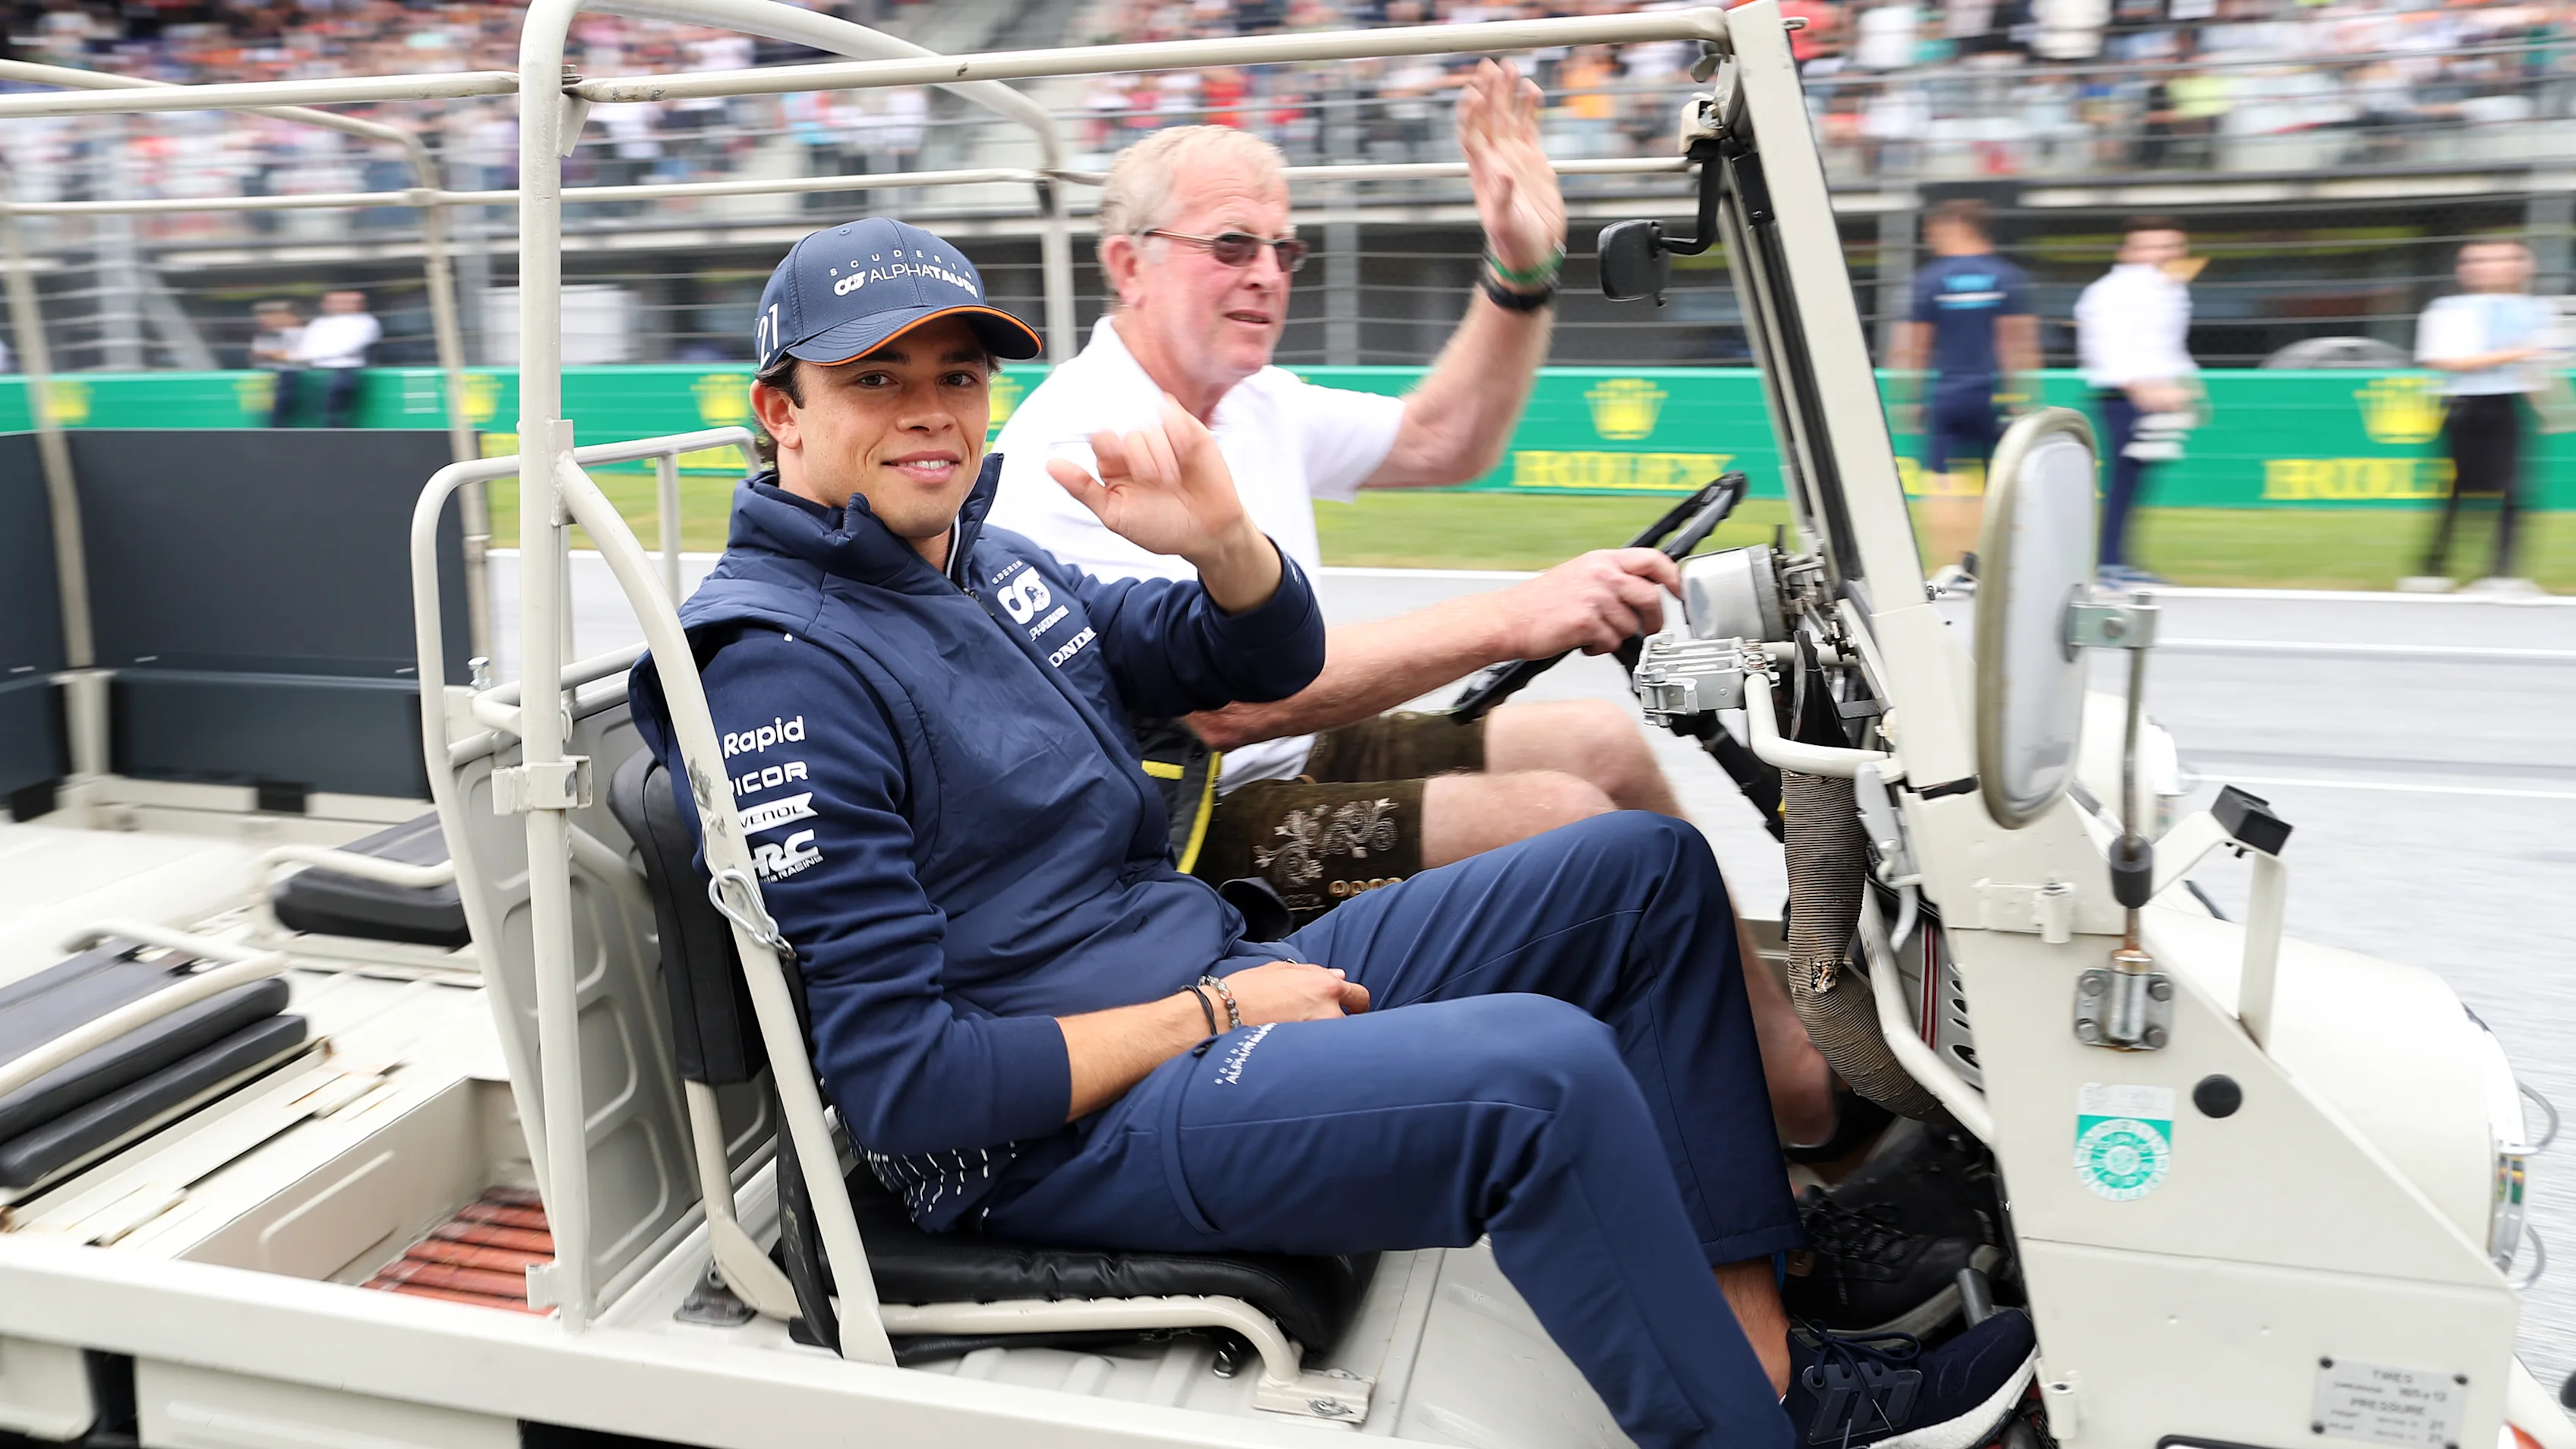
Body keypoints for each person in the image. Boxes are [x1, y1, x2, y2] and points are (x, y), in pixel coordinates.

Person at [628, 215, 2040, 1449]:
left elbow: (1247, 655)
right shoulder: (778, 666)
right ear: (781, 409)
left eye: (956, 374)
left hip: (1178, 982)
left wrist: (1224, 542)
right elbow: (905, 1089)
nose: (929, 411)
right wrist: (1213, 1006)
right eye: (876, 378)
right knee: (1536, 1076)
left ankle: (1762, 1357)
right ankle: (1761, 1436)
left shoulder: (976, 556)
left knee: (1639, 874)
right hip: (1048, 1133)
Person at [982, 68, 1838, 1146]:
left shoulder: (1250, 401)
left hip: (1279, 757)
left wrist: (1522, 271)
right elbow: (1221, 711)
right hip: (1175, 834)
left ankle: (1790, 1085)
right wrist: (1517, 614)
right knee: (1573, 829)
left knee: (1596, 742)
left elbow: (1448, 440)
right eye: (1232, 246)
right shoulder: (1083, 447)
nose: (1266, 277)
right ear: (1129, 264)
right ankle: (1753, 1129)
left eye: (1282, 251)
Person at [1887, 199, 2038, 594]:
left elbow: (1914, 344)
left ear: (1961, 227)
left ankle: (1951, 566)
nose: (1931, 238)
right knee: (2001, 486)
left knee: (1942, 484)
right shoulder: (2007, 277)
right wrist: (2023, 395)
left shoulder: (1931, 279)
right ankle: (1999, 566)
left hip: (1948, 393)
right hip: (1994, 396)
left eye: (1936, 230)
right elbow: (2017, 340)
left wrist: (1909, 395)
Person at [2402, 238, 2557, 595]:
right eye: (2480, 261)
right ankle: (2433, 567)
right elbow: (2444, 360)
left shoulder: (2535, 310)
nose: (2492, 268)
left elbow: (2536, 367)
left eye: (2504, 260)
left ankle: (2502, 573)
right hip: (2465, 404)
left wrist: (2545, 405)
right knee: (2457, 489)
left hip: (2508, 404)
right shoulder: (2448, 309)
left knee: (2513, 489)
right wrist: (2517, 353)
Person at [2075, 216, 2200, 584]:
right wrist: (2138, 387)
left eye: (2173, 245)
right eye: (2156, 245)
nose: (2167, 253)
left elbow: (2167, 345)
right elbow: (2104, 345)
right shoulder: (2111, 291)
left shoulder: (2172, 289)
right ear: (2130, 251)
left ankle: (2118, 558)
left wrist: (2183, 385)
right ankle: (2108, 562)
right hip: (2125, 396)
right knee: (2122, 479)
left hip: (2159, 397)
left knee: (2137, 482)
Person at [282, 290, 379, 429]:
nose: (334, 306)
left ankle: (334, 428)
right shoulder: (319, 323)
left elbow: (347, 348)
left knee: (335, 396)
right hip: (313, 369)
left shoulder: (366, 322)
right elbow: (307, 346)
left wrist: (306, 356)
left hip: (345, 370)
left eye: (342, 303)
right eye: (331, 303)